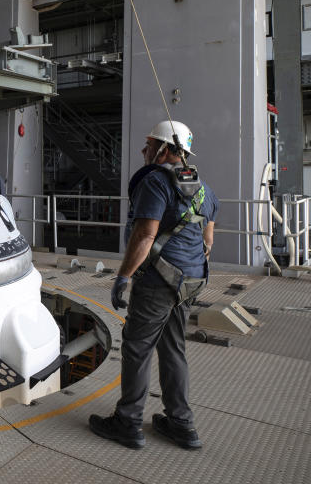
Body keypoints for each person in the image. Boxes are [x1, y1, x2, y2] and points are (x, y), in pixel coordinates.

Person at [90, 120, 218, 450]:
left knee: (137, 347)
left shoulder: (157, 183)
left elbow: (145, 235)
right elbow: (208, 241)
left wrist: (124, 276)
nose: (144, 150)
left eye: (149, 145)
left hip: (159, 281)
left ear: (164, 149)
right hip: (191, 280)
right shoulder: (205, 188)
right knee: (174, 348)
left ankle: (128, 422)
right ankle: (181, 424)